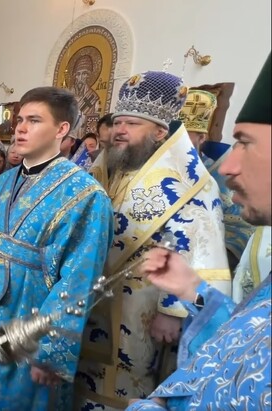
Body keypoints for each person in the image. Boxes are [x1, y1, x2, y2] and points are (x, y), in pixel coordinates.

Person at [0, 87, 114, 410]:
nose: (19, 128)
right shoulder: (2, 183)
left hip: (28, 319)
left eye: (33, 120)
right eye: (20, 119)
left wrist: (50, 350)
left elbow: (79, 280)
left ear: (62, 130)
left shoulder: (86, 195)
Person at [77, 71, 231, 409]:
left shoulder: (192, 182)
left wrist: (173, 311)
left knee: (126, 386)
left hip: (143, 308)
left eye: (131, 124)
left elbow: (201, 248)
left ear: (160, 132)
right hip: (94, 296)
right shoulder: (108, 168)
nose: (119, 130)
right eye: (118, 122)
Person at [127, 53, 271, 411]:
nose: (229, 166)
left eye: (245, 142)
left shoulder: (193, 180)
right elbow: (246, 340)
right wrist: (195, 291)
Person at [179, 89, 254, 268]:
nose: (173, 141)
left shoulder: (220, 174)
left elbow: (242, 229)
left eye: (182, 134)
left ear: (201, 137)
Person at [71, 54, 101, 121]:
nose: (80, 78)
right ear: (75, 76)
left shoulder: (93, 97)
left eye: (84, 73)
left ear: (88, 76)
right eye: (78, 74)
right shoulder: (68, 96)